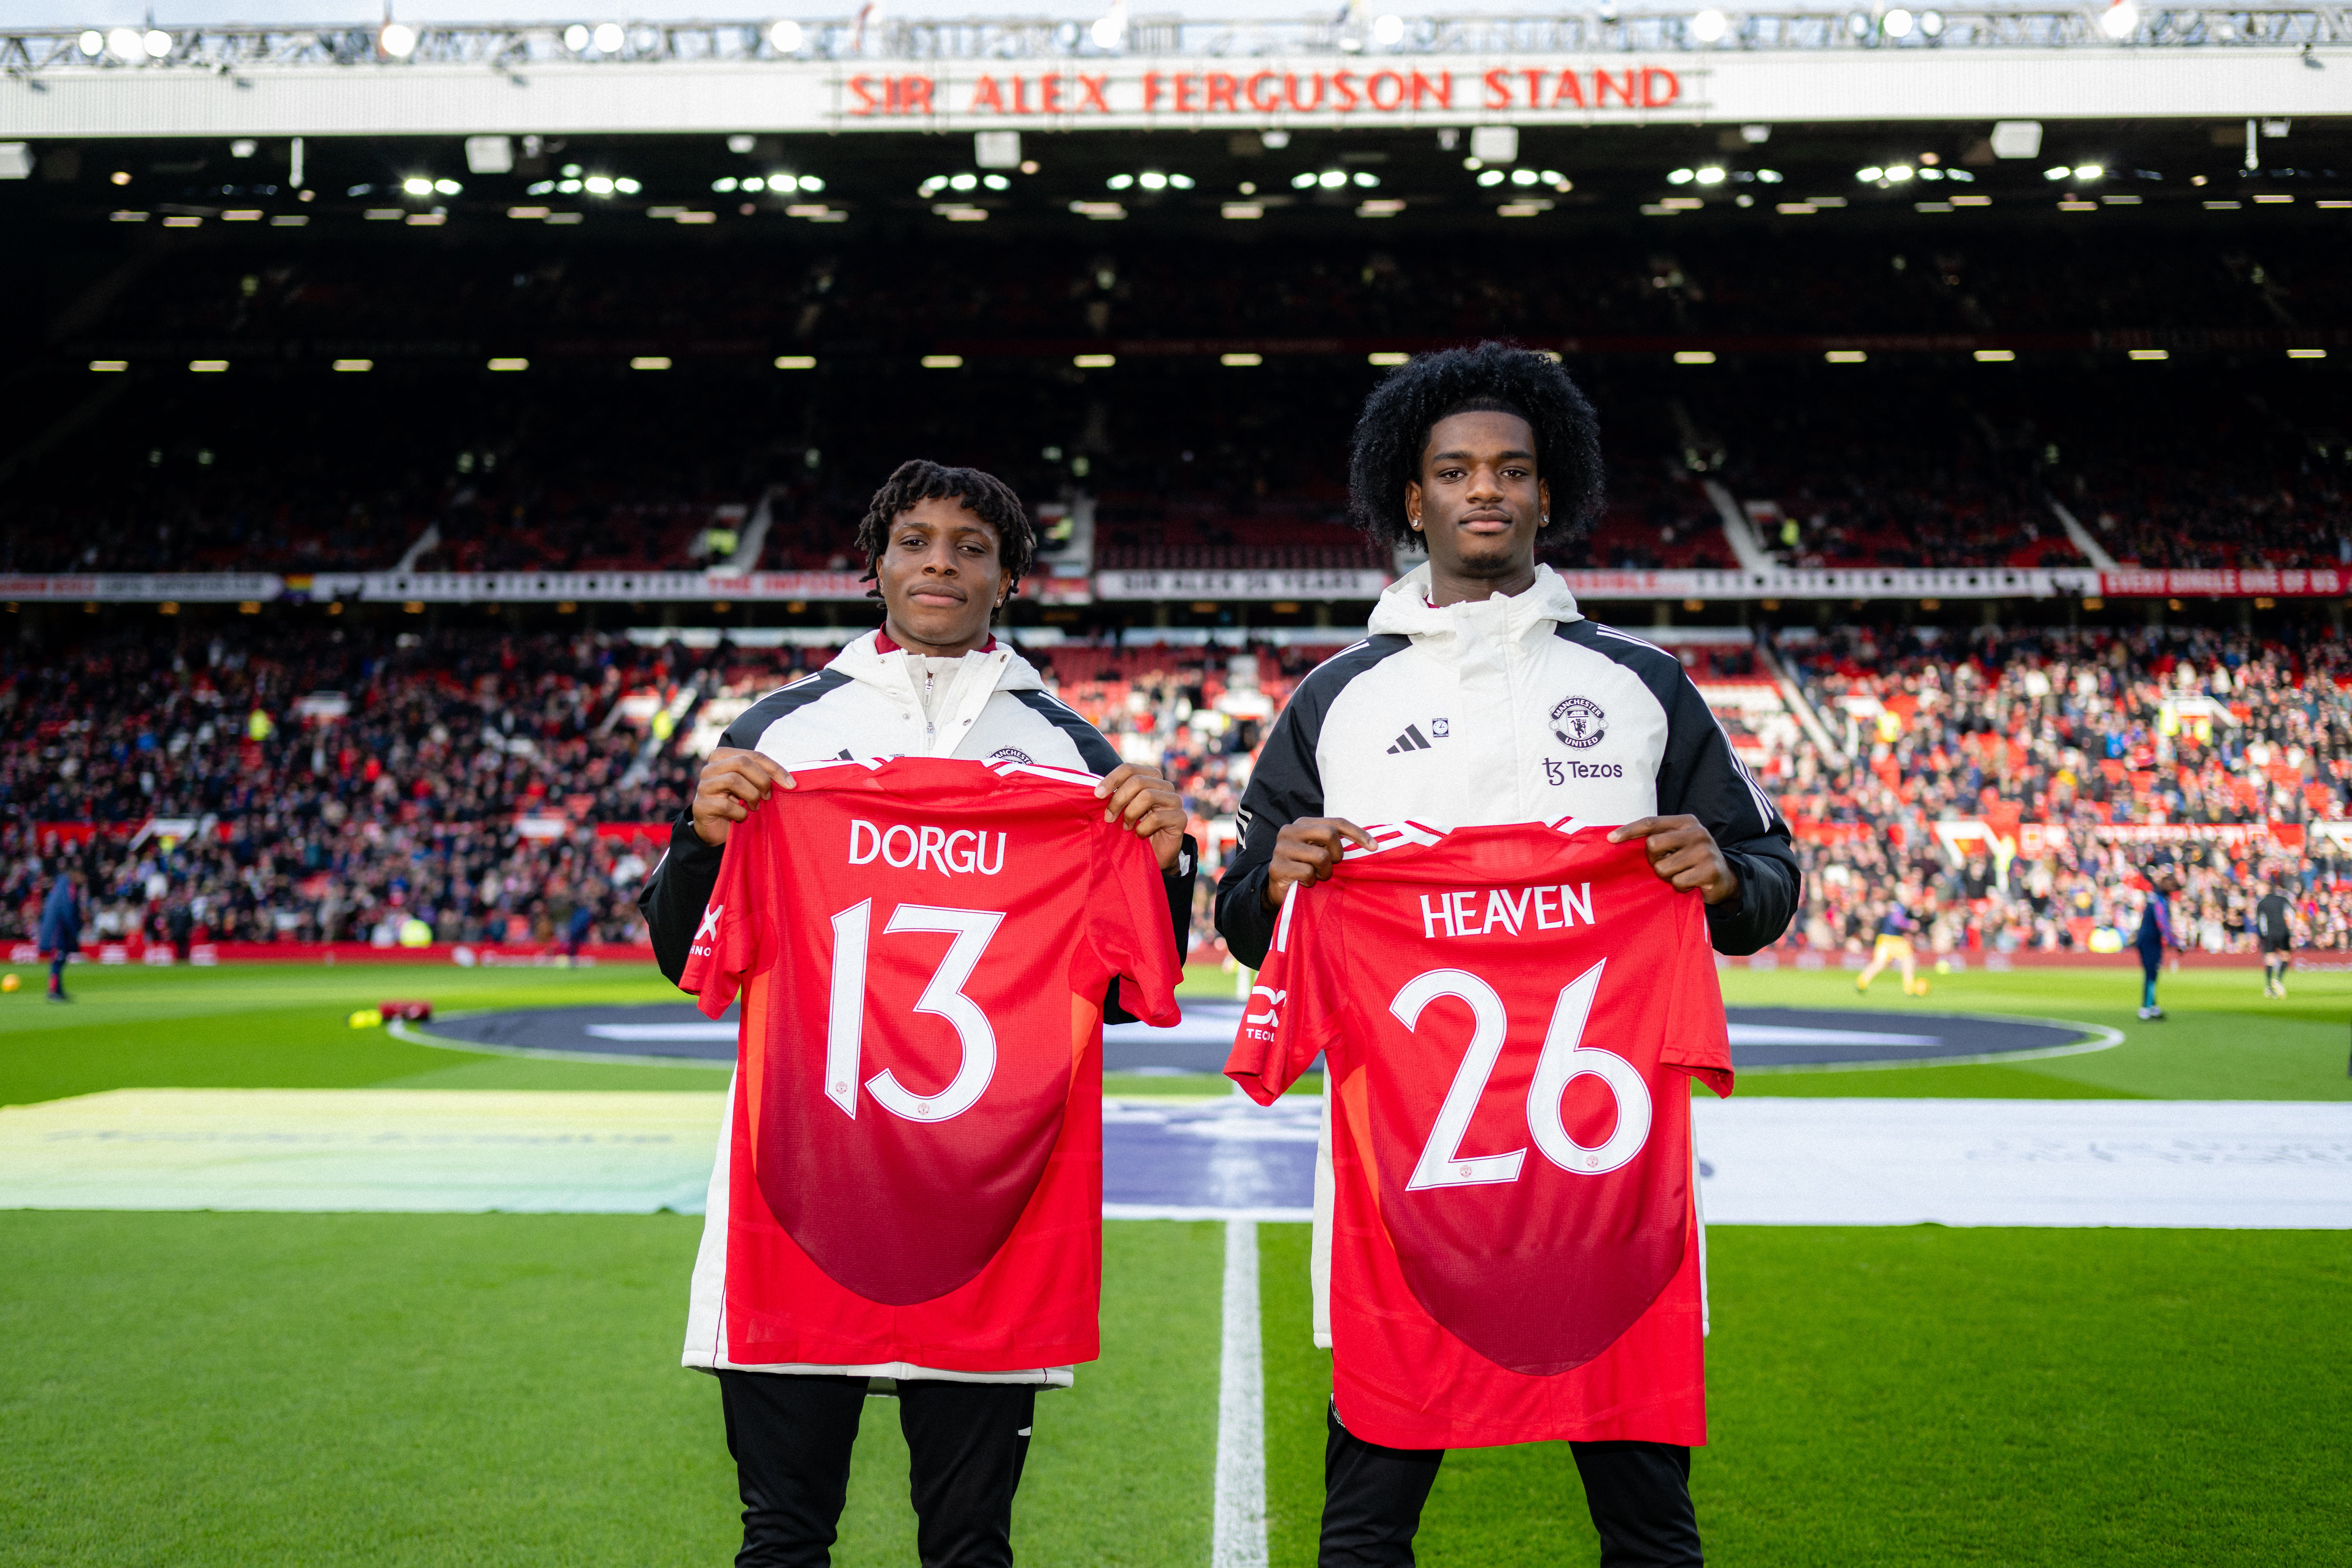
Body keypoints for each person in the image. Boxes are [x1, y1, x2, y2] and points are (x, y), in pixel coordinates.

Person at [1212, 342, 1800, 1568]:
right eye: (1456, 470)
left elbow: (1766, 878)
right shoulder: (1334, 699)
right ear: (1409, 495)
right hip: (1403, 1188)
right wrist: (1276, 877)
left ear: (1550, 491)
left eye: (1513, 469)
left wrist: (1724, 875)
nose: (1487, 489)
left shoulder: (1642, 684)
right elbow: (1239, 914)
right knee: (1366, 1517)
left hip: (1608, 1184)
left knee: (1647, 1517)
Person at [637, 459, 1196, 1568]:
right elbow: (680, 953)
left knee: (968, 1543)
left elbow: (1132, 992)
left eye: (970, 545)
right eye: (914, 539)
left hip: (989, 1207)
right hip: (797, 1190)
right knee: (783, 1536)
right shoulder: (781, 730)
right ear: (874, 565)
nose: (939, 559)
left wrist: (1167, 863)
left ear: (1009, 581)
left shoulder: (1071, 753)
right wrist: (700, 841)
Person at [1854, 894, 1926, 997]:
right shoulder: (1899, 906)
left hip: (1891, 939)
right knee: (1887, 962)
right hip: (1890, 939)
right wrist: (1909, 925)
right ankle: (1909, 989)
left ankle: (1861, 983)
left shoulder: (1897, 906)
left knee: (1904, 961)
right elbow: (1896, 920)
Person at [2135, 869, 2180, 1021]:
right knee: (2152, 974)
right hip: (2150, 941)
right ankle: (2146, 1008)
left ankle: (2152, 1006)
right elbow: (2163, 923)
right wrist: (2175, 943)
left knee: (2152, 973)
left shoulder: (2155, 898)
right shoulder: (2160, 901)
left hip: (2147, 940)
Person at [38, 871, 81, 1004]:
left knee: (60, 960)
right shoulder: (67, 888)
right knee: (58, 960)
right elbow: (67, 910)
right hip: (58, 932)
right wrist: (74, 930)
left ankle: (58, 990)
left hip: (55, 930)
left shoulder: (59, 887)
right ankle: (53, 992)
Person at [2253, 879, 2296, 998]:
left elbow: (2261, 921)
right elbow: (2291, 915)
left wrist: (2263, 935)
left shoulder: (2262, 903)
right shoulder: (2283, 900)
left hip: (2270, 934)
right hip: (2283, 932)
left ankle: (2268, 987)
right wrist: (2290, 930)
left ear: (2267, 888)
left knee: (2269, 959)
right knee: (2286, 956)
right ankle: (2278, 979)